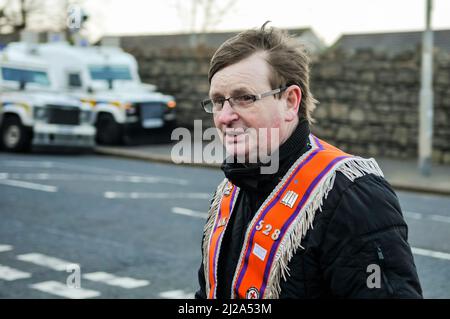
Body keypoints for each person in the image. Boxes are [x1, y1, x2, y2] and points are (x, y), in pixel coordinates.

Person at [195, 23, 422, 299]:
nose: (224, 116)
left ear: (290, 101)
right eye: (218, 101)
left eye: (244, 98)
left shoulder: (353, 195)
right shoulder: (230, 189)